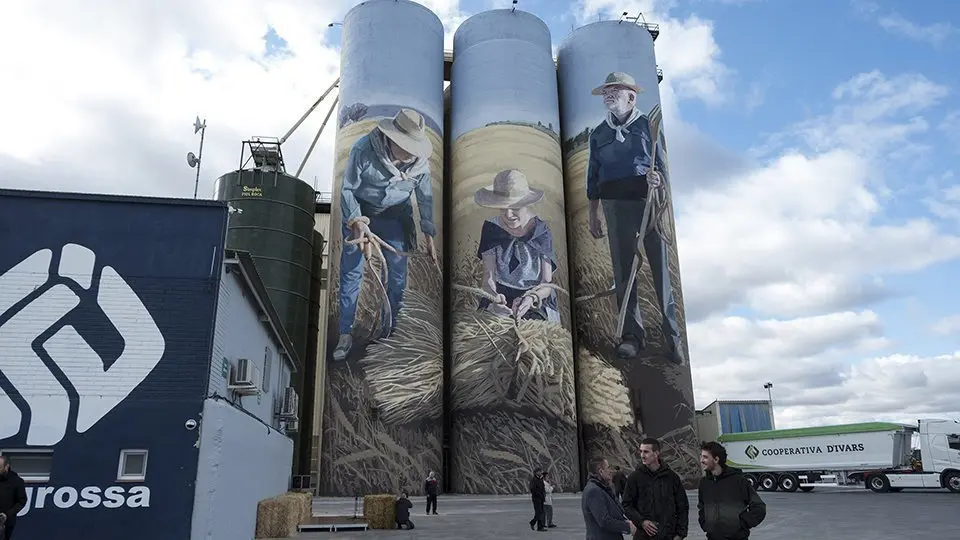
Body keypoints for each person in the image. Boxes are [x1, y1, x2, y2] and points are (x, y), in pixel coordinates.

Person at [584, 71, 683, 364]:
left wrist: (657, 181)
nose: (609, 95)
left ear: (631, 96)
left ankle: (673, 337)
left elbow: (662, 170)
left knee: (660, 270)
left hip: (647, 204)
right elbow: (593, 176)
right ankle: (631, 337)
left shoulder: (647, 126)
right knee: (623, 272)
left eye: (615, 90)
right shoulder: (598, 134)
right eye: (606, 91)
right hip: (614, 207)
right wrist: (594, 214)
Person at [333, 108, 438, 361]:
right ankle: (345, 333)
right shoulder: (363, 151)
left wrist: (428, 235)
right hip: (360, 213)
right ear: (391, 139)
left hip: (395, 218)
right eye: (406, 145)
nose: (410, 153)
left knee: (398, 277)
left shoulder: (420, 166)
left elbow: (424, 198)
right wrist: (357, 220)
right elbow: (348, 190)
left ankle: (389, 334)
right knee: (351, 273)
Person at [473, 169, 560, 322]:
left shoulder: (541, 231)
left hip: (535, 298)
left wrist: (531, 298)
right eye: (502, 208)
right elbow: (488, 279)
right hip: (501, 296)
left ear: (526, 204)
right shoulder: (492, 229)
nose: (508, 215)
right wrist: (494, 297)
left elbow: (546, 284)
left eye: (515, 208)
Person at [622, 438, 689, 539]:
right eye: (641, 451)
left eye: (646, 452)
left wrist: (680, 534)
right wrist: (641, 521)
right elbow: (626, 505)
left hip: (668, 536)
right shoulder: (634, 478)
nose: (642, 455)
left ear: (656, 453)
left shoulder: (672, 478)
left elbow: (682, 507)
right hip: (643, 536)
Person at [697, 441, 766, 540]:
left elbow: (759, 507)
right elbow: (702, 506)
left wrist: (742, 523)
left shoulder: (738, 481)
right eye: (701, 456)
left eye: (705, 457)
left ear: (716, 459)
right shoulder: (704, 483)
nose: (701, 460)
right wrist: (705, 523)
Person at [581, 457, 638, 539]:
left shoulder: (601, 488)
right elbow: (604, 520)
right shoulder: (594, 490)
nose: (611, 471)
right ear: (601, 471)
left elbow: (613, 513)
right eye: (608, 468)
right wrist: (627, 526)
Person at [0, 456, 26, 540]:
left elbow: (21, 501)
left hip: (6, 522)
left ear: (6, 467)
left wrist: (7, 514)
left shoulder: (16, 481)